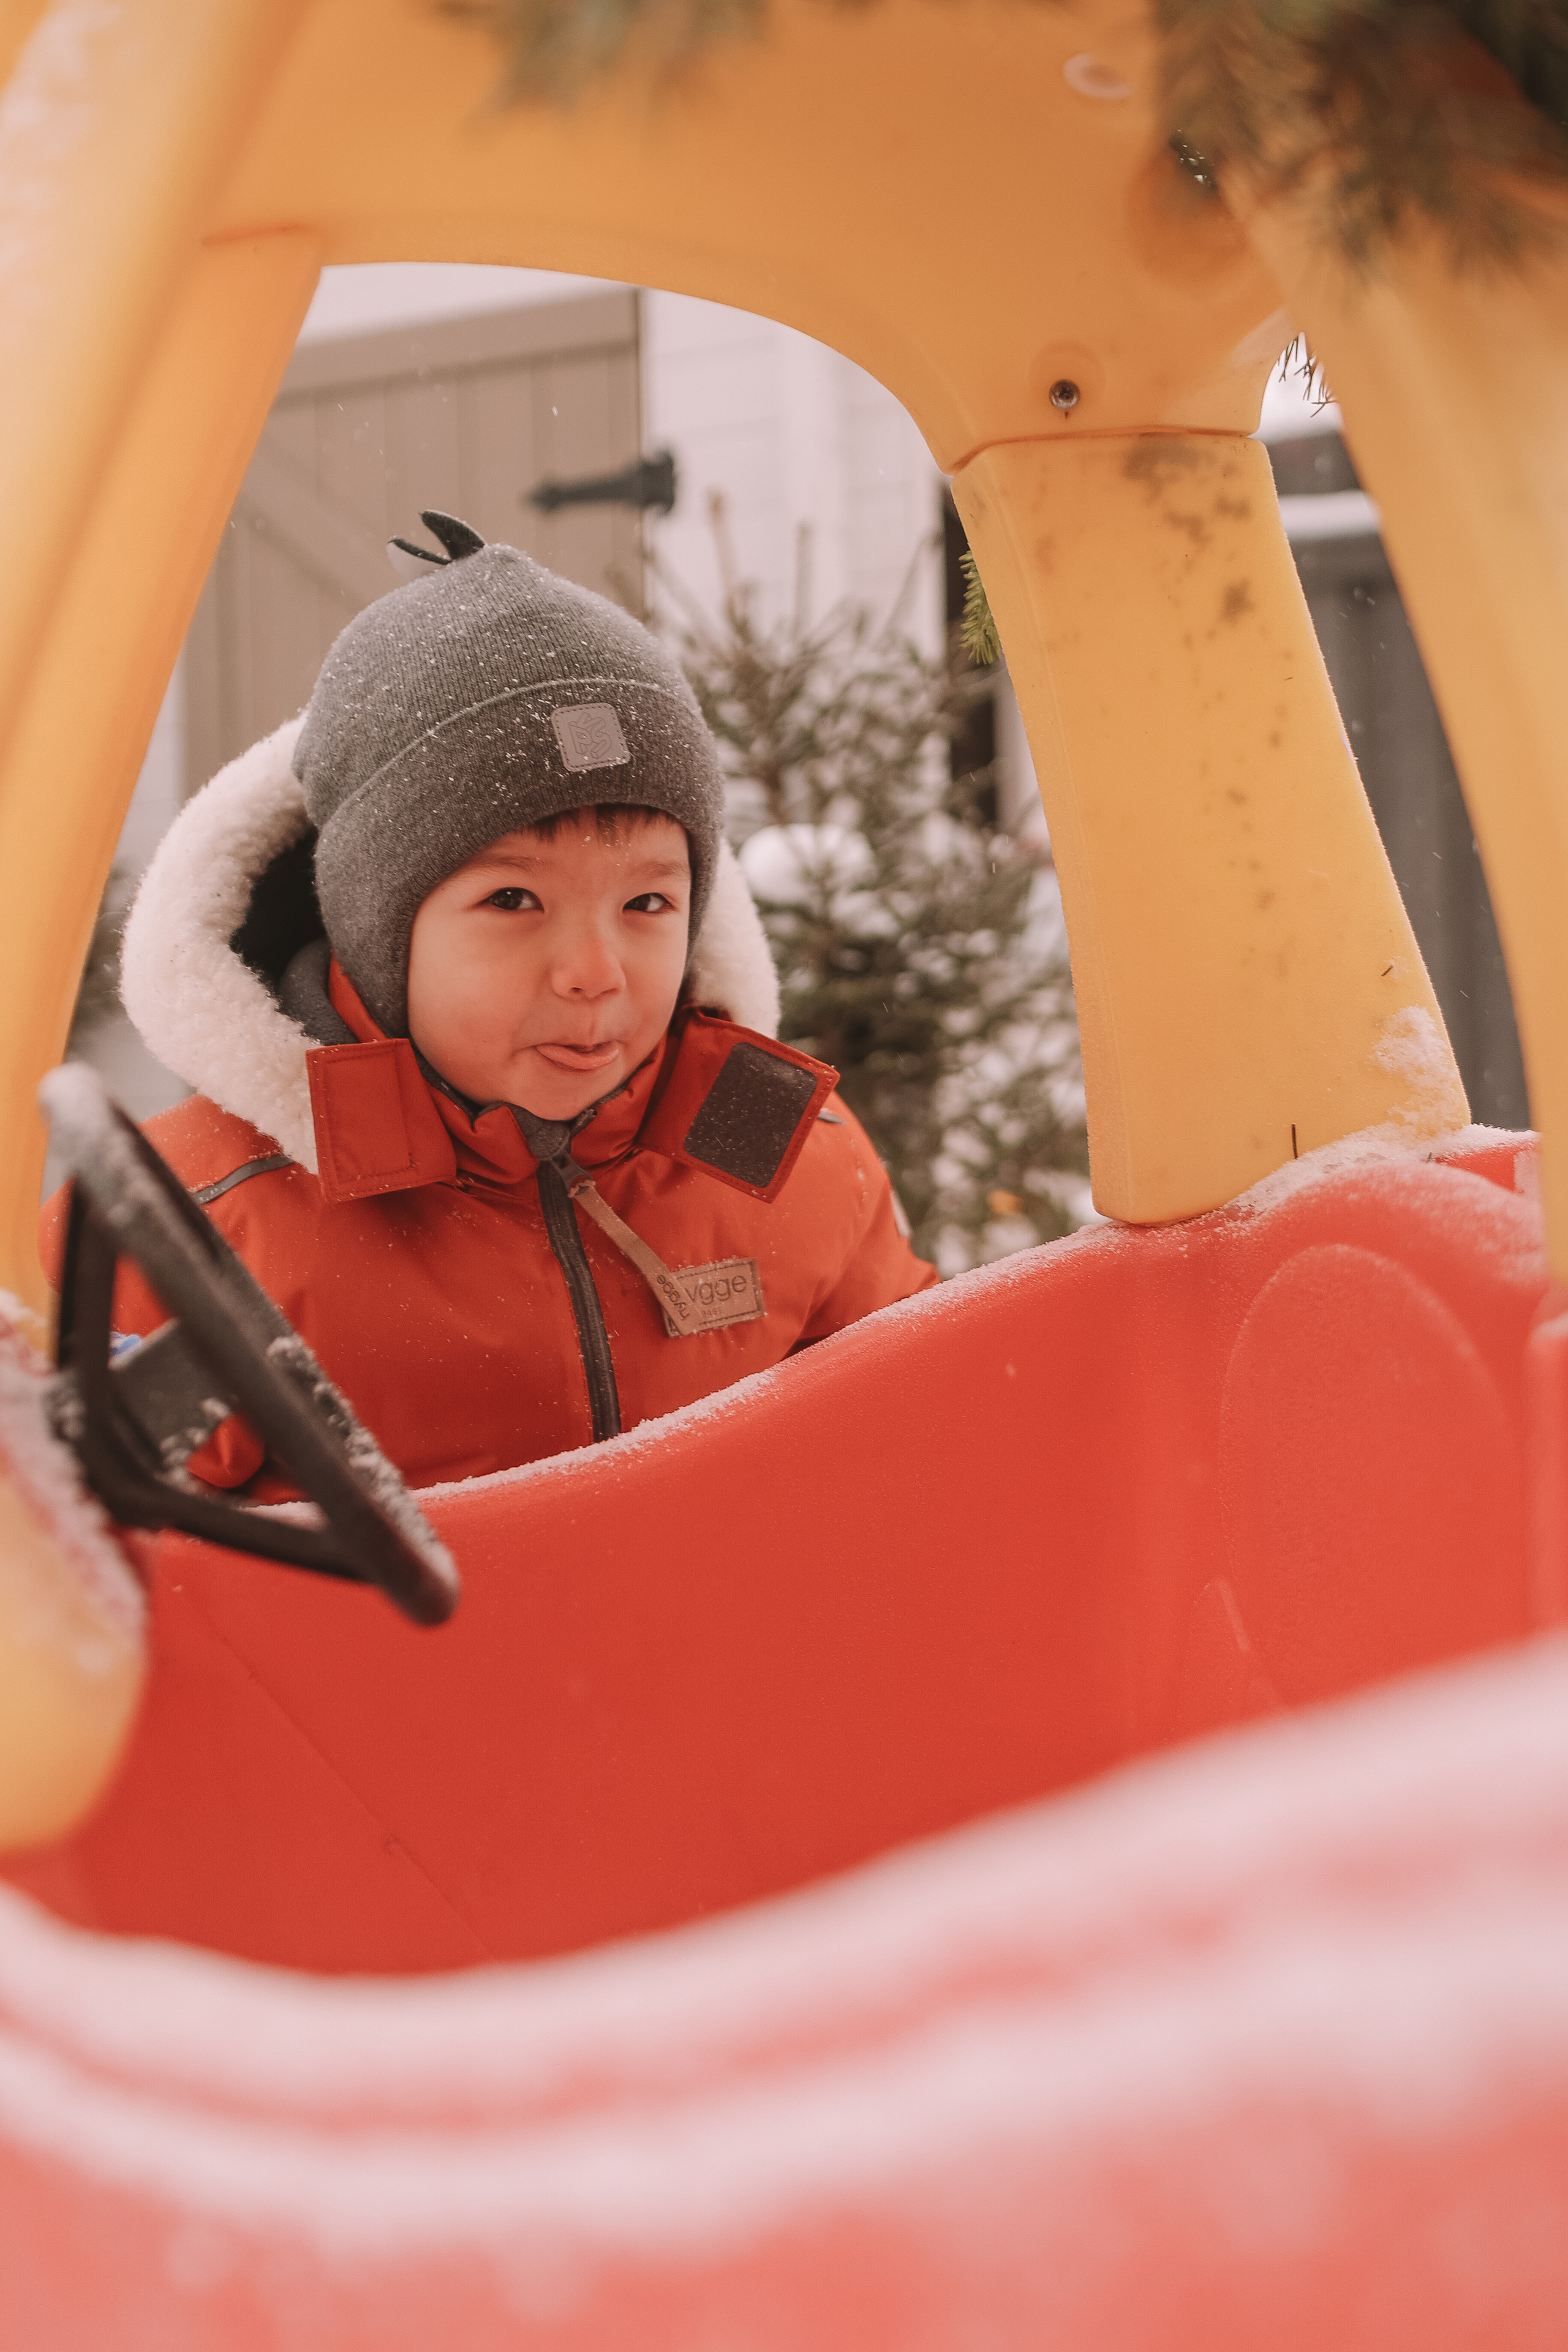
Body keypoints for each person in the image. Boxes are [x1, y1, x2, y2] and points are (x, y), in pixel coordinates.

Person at [43, 514, 937, 1496]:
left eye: (647, 903)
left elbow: (915, 1448)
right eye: (514, 900)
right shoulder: (181, 1232)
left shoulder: (783, 1152)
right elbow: (82, 1567)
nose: (595, 971)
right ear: (379, 934)